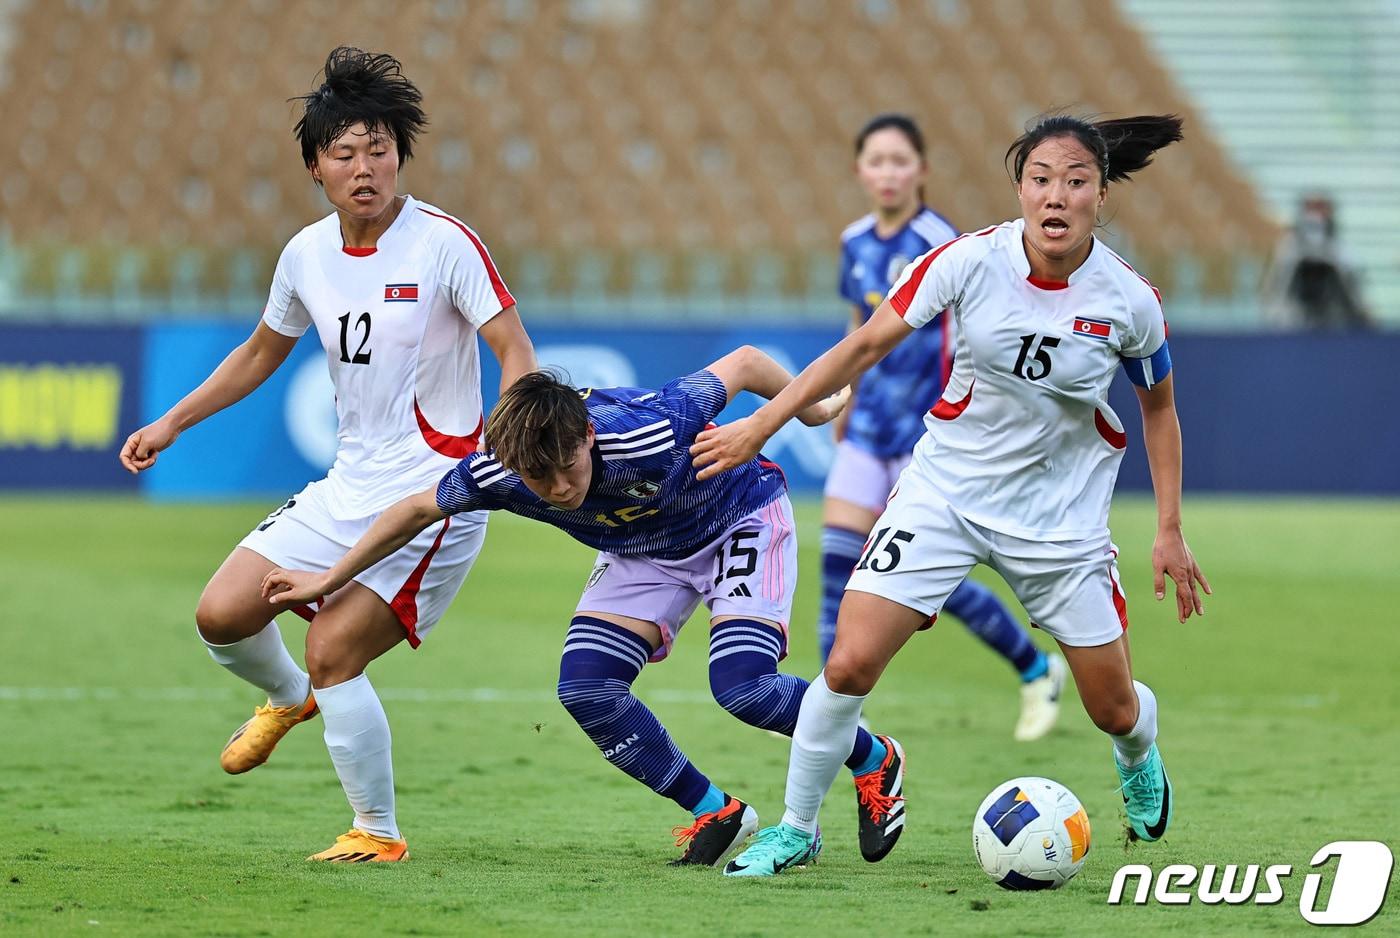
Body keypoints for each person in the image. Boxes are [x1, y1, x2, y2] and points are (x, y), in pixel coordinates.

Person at [692, 114, 1212, 877]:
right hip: (946, 496)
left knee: (1113, 709)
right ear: (1020, 188)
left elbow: (1159, 409)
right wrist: (762, 424)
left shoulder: (1130, 301)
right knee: (847, 666)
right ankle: (798, 830)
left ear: (1102, 193)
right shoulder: (968, 262)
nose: (1056, 196)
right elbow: (862, 344)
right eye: (1041, 180)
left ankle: (1139, 751)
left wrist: (1169, 528)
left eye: (1075, 181)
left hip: (1058, 524)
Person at [118, 47, 537, 862]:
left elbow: (513, 348)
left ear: (399, 154)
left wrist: (503, 450)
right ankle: (288, 698)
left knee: (333, 646)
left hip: (435, 495)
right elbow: (258, 353)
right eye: (344, 152)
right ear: (315, 166)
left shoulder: (446, 242)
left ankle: (376, 834)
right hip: (348, 483)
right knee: (223, 613)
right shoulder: (306, 254)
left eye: (379, 148)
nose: (365, 167)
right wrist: (173, 423)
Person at [260, 350, 901, 868]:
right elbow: (414, 510)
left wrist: (810, 412)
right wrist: (328, 576)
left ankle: (874, 758)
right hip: (638, 549)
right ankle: (717, 811)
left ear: (588, 435)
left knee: (744, 689)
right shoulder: (500, 472)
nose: (560, 489)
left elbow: (746, 364)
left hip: (736, 517)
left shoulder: (650, 426)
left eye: (568, 468)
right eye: (541, 483)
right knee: (586, 688)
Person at [826, 114, 1063, 741]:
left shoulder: (942, 241)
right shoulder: (853, 241)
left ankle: (1036, 667)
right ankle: (828, 707)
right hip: (870, 425)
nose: (887, 172)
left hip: (929, 436)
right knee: (836, 561)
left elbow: (976, 325)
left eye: (899, 161)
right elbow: (859, 326)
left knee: (930, 586)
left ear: (921, 171)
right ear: (859, 171)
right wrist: (845, 400)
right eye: (875, 161)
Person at [1263, 193, 1373, 329]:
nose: (1315, 216)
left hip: (1334, 325)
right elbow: (1275, 291)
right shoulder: (1287, 249)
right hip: (1293, 324)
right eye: (1311, 209)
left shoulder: (1340, 249)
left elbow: (1355, 293)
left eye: (1320, 209)